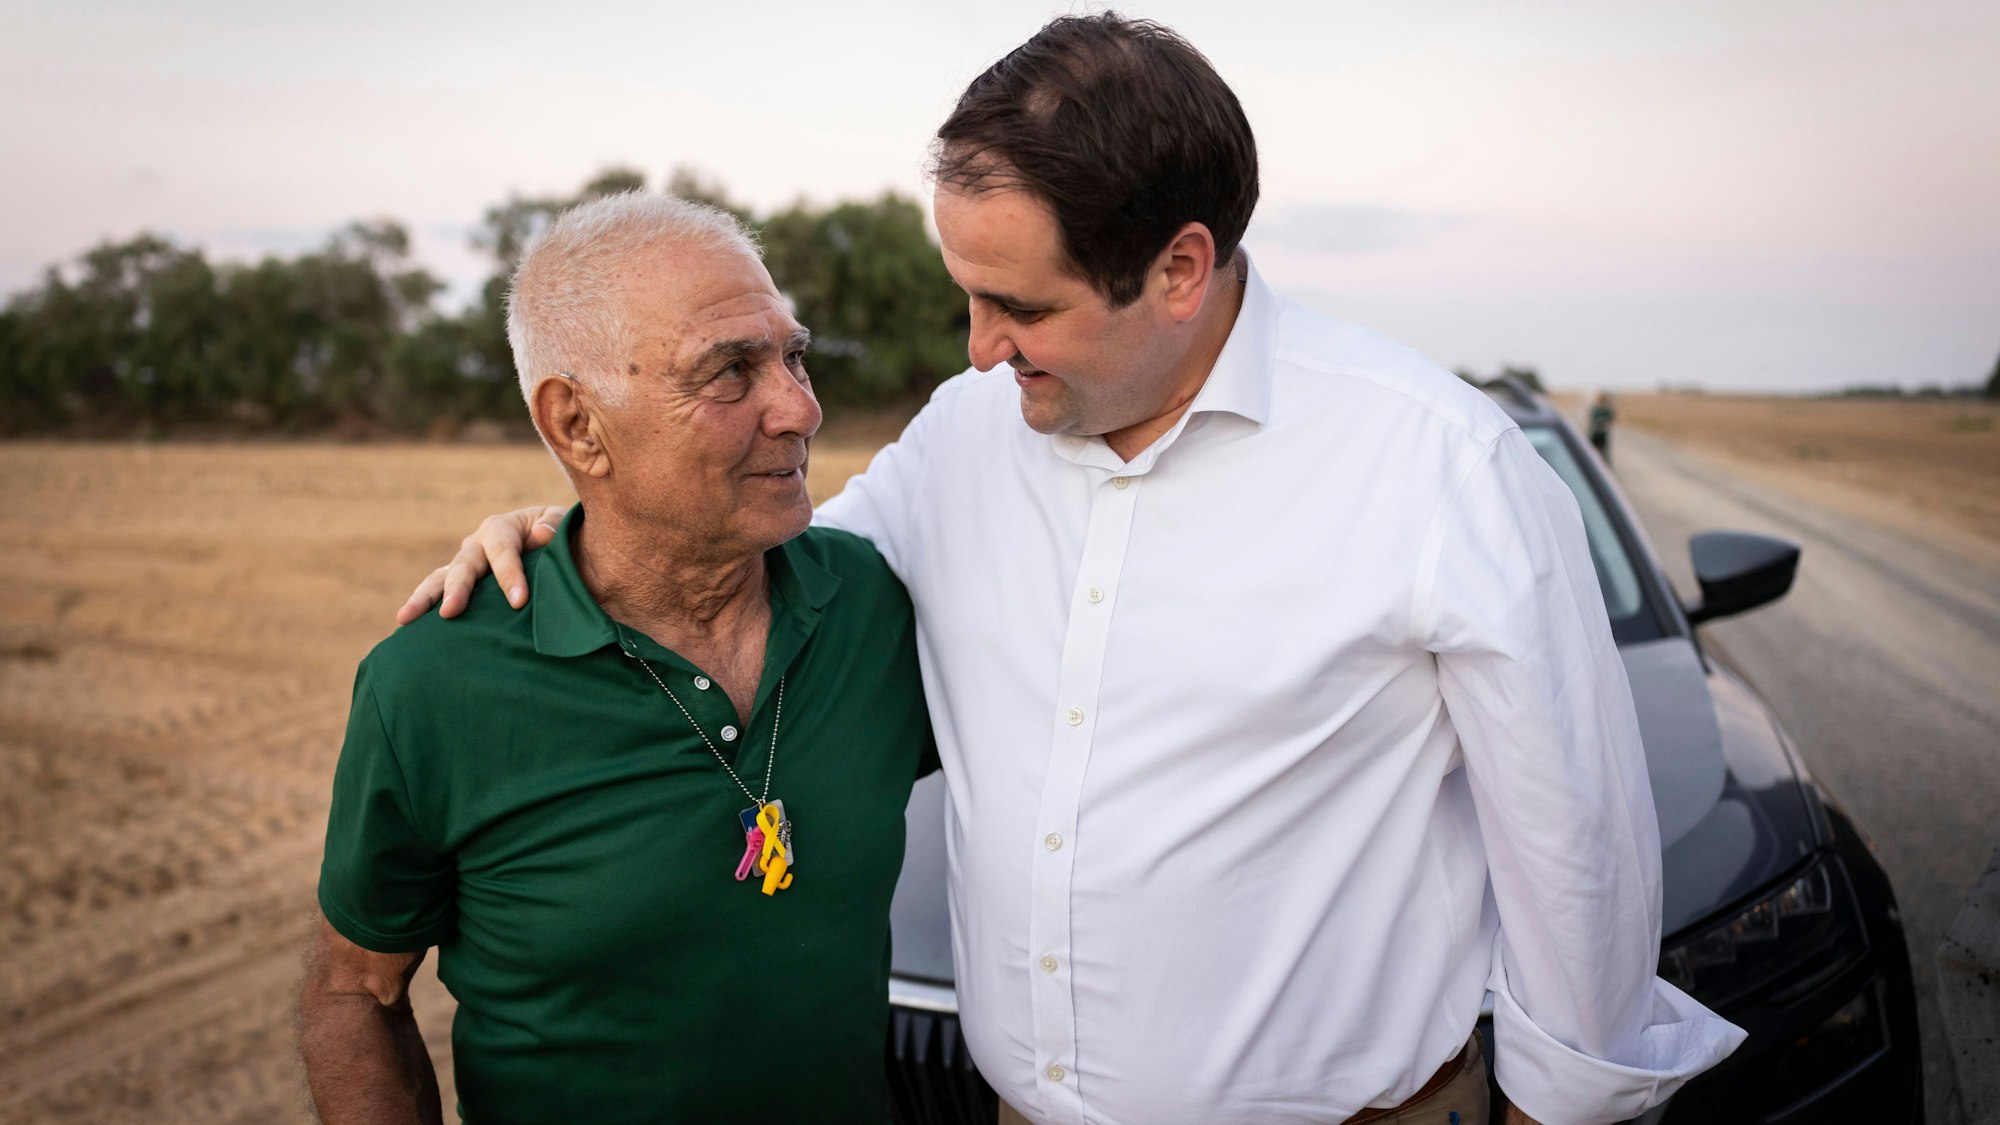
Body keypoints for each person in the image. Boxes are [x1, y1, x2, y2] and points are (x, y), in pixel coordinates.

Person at [402, 15, 1745, 1125]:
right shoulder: (966, 435)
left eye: (1024, 308)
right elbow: (778, 585)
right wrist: (573, 526)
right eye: (967, 296)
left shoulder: (1437, 465)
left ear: (1181, 269)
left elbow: (1578, 853)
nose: (980, 348)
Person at [298, 192, 933, 1123]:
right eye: (729, 372)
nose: (801, 407)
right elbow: (354, 992)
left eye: (793, 355)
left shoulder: (876, 605)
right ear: (576, 426)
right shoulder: (434, 683)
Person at [1589, 392, 1617, 463]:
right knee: (1594, 452)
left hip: (1601, 435)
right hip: (1596, 434)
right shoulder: (1597, 410)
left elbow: (1612, 420)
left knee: (1601, 453)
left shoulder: (1605, 411)